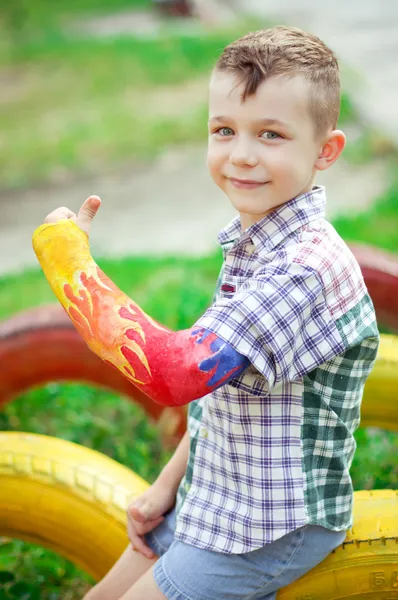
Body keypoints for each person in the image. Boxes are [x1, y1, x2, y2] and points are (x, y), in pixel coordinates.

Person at [36, 26, 380, 600]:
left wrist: (68, 262)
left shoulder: (301, 271)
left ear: (326, 150)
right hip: (217, 497)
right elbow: (224, 400)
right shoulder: (256, 242)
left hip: (269, 529)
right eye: (225, 130)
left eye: (270, 134)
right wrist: (165, 489)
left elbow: (175, 373)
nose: (241, 155)